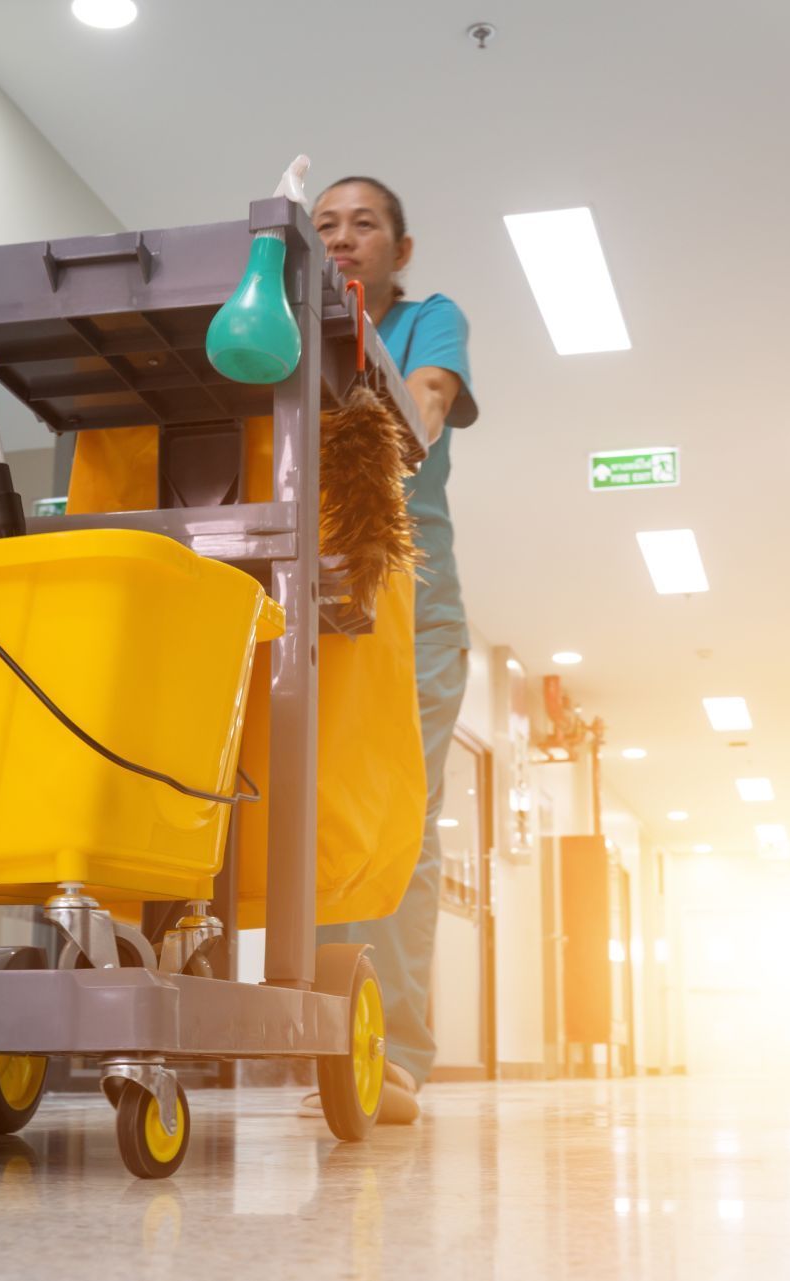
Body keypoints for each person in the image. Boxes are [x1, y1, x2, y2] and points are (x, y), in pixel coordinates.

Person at [303, 176, 478, 1125]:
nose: (342, 238)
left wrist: (392, 408)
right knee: (329, 818)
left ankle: (395, 1050)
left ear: (398, 251)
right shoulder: (296, 339)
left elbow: (428, 402)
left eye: (364, 224)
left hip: (411, 601)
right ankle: (332, 1038)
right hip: (322, 601)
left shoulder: (426, 319)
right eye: (324, 224)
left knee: (402, 818)